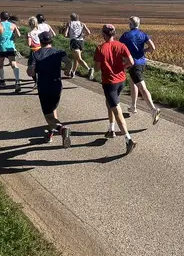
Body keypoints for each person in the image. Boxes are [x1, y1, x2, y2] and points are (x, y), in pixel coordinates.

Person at [93, 24, 136, 153]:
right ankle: (111, 129)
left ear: (104, 34)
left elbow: (96, 68)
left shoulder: (100, 48)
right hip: (121, 80)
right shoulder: (121, 46)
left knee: (117, 110)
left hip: (109, 82)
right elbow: (131, 62)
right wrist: (122, 67)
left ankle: (128, 139)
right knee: (110, 103)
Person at [26, 31, 72, 146]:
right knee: (52, 110)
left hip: (44, 87)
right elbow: (69, 62)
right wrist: (67, 70)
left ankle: (61, 129)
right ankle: (50, 134)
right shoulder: (59, 52)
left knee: (48, 117)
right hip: (57, 86)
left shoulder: (35, 54)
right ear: (51, 40)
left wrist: (32, 68)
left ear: (40, 41)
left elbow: (30, 72)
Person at [119, 16, 160, 124]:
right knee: (133, 83)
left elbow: (119, 49)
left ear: (131, 25)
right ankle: (133, 106)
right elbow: (153, 48)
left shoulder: (125, 36)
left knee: (142, 88)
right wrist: (143, 51)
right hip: (142, 63)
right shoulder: (143, 34)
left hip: (133, 64)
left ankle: (153, 109)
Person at [0, 12, 22, 93]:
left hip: (1, 47)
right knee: (13, 64)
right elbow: (19, 35)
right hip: (10, 47)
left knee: (0, 64)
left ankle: (2, 81)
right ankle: (17, 81)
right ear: (8, 17)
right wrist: (13, 38)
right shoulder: (13, 25)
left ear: (0, 17)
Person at [63, 13, 94, 80]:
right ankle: (73, 73)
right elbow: (88, 32)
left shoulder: (70, 23)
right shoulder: (82, 23)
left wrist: (69, 35)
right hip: (81, 42)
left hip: (74, 42)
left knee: (79, 59)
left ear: (71, 18)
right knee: (76, 58)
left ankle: (89, 69)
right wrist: (83, 36)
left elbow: (65, 34)